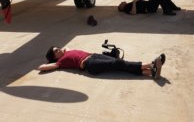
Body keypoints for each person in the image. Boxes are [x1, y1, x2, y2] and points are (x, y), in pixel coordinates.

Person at [38, 46, 166, 79]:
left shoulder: (66, 52)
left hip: (93, 55)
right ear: (54, 56)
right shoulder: (60, 62)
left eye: (58, 47)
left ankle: (150, 72)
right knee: (117, 64)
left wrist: (63, 50)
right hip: (89, 65)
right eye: (56, 50)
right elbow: (41, 67)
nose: (59, 49)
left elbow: (68, 48)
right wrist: (51, 61)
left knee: (119, 63)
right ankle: (150, 64)